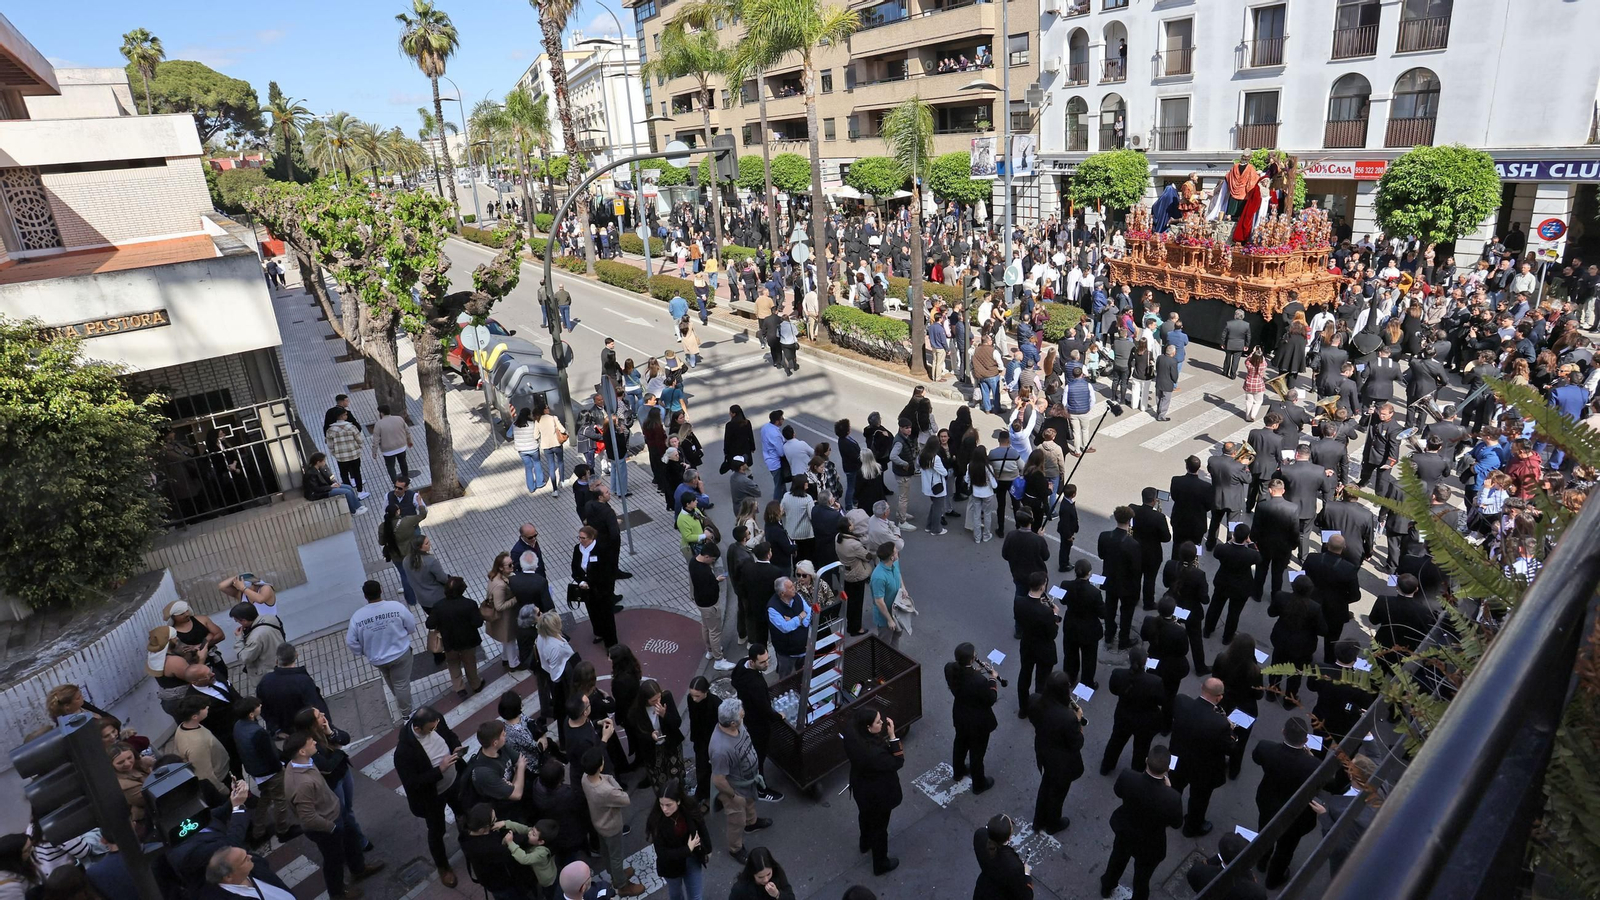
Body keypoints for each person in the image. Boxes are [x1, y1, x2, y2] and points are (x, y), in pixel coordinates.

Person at [283, 730, 384, 899]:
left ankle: (359, 869)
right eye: (310, 741)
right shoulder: (302, 784)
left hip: (335, 813)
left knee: (351, 840)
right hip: (326, 826)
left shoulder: (303, 762)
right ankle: (338, 894)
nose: (314, 742)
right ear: (301, 751)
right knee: (334, 861)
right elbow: (308, 819)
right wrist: (332, 827)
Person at [394, 707, 468, 887]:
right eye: (431, 729)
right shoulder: (403, 752)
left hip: (453, 782)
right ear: (418, 728)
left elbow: (449, 735)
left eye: (436, 725)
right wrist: (439, 770)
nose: (435, 729)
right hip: (432, 797)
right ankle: (443, 867)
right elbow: (413, 783)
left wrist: (455, 745)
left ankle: (469, 842)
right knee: (437, 832)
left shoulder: (436, 719)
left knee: (464, 813)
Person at [1099, 746, 1183, 900]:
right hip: (1151, 843)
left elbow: (1118, 791)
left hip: (1125, 831)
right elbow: (1177, 823)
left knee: (1117, 860)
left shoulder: (1128, 777)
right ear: (1167, 770)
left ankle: (1107, 886)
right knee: (1142, 877)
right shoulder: (1172, 798)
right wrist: (1169, 790)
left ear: (1146, 761)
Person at [1252, 717, 1326, 889]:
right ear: (1306, 740)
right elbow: (1324, 784)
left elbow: (1257, 758)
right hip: (1297, 815)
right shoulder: (1314, 765)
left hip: (1268, 803)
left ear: (1283, 732)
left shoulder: (1266, 748)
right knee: (1286, 849)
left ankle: (1261, 862)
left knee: (1264, 834)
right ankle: (1273, 879)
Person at [1168, 677, 1236, 838]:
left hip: (1178, 759)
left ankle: (1171, 817)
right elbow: (1229, 748)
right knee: (1199, 799)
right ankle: (1192, 827)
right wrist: (1232, 732)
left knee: (1175, 788)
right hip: (1203, 768)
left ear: (1201, 688)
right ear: (1219, 697)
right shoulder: (1220, 724)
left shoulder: (1182, 701)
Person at [842, 707, 904, 876]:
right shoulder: (875, 754)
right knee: (880, 828)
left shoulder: (852, 734)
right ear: (868, 728)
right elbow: (897, 761)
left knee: (865, 815)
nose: (882, 723)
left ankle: (865, 842)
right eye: (878, 722)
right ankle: (880, 863)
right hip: (878, 794)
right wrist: (892, 736)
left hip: (861, 788)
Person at [709, 699, 772, 865]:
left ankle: (751, 823)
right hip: (734, 788)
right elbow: (718, 780)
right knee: (736, 820)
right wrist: (734, 796)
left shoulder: (737, 725)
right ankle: (735, 848)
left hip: (747, 782)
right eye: (741, 716)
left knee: (750, 802)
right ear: (732, 723)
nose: (744, 717)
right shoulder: (720, 750)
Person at [580, 748, 646, 896]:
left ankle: (616, 874)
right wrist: (612, 780)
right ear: (600, 766)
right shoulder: (606, 790)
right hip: (611, 826)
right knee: (616, 856)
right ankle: (622, 885)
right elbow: (624, 798)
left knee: (607, 853)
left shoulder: (585, 778)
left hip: (598, 822)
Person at [231, 696, 297, 843]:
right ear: (251, 714)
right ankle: (283, 830)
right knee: (280, 801)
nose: (260, 706)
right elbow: (270, 755)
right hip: (270, 772)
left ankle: (258, 829)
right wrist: (280, 766)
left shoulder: (238, 726)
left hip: (256, 771)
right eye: (257, 706)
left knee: (265, 797)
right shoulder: (257, 732)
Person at [457, 805, 558, 900]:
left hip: (492, 881)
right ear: (483, 829)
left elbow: (524, 830)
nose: (496, 821)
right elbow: (517, 855)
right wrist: (518, 840)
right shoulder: (488, 848)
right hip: (504, 884)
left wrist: (505, 824)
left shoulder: (467, 834)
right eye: (493, 820)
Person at [1028, 672, 1085, 836]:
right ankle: (1053, 823)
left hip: (1044, 750)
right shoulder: (1068, 718)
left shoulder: (1034, 700)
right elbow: (1077, 743)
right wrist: (1078, 720)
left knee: (1046, 785)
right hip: (1062, 761)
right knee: (1058, 793)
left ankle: (1038, 821)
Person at [945, 642, 999, 794]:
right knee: (977, 753)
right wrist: (993, 679)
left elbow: (963, 676)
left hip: (960, 715)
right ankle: (979, 784)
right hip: (977, 722)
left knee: (960, 743)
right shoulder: (979, 681)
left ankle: (958, 771)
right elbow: (991, 699)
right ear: (972, 659)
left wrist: (975, 671)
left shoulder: (950, 668)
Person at [647, 779, 713, 900]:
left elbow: (701, 825)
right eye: (661, 804)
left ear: (678, 801)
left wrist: (708, 849)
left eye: (668, 805)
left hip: (692, 858)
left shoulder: (689, 807)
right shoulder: (657, 821)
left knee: (696, 896)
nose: (664, 809)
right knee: (676, 895)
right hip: (671, 867)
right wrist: (687, 849)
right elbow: (662, 853)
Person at [1268, 576, 1323, 707]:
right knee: (1295, 674)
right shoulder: (1314, 607)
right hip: (1302, 646)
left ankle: (1271, 692)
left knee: (1276, 665)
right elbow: (1322, 630)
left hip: (1280, 639)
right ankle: (1289, 699)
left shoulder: (1281, 596)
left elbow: (1271, 612)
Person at [428, 576, 485, 697]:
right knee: (470, 663)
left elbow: (430, 623)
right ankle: (475, 684)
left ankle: (460, 688)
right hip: (468, 641)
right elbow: (478, 623)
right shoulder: (470, 604)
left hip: (449, 642)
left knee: (453, 663)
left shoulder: (439, 606)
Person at [256, 643, 328, 738]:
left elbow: (263, 709)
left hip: (286, 733)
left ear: (277, 661)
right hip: (308, 731)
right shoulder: (303, 681)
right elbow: (315, 706)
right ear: (296, 656)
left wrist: (276, 730)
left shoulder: (265, 681)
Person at [1014, 571, 1059, 717]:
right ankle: (1038, 708)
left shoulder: (1019, 601)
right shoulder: (1046, 613)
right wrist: (1054, 615)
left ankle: (1023, 708)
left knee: (1024, 674)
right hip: (1043, 648)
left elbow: (1021, 618)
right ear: (1042, 587)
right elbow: (1052, 634)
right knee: (1042, 679)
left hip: (1027, 645)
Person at [1206, 524, 1260, 645]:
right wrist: (1250, 543)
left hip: (1223, 582)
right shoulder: (1250, 554)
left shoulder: (1222, 549)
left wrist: (1230, 541)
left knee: (1215, 606)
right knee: (1234, 613)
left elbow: (1216, 553)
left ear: (1234, 535)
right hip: (1241, 587)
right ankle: (1227, 637)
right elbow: (1259, 557)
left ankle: (1208, 630)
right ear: (1247, 537)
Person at [1098, 506, 1143, 648]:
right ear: (1129, 521)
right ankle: (1123, 639)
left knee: (1110, 608)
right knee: (1126, 612)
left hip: (1110, 580)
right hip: (1127, 585)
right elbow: (1136, 569)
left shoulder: (1104, 536)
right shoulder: (1133, 544)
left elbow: (1101, 555)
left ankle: (1109, 635)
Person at [1059, 559, 1106, 689]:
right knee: (1089, 658)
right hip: (1089, 630)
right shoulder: (1094, 593)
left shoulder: (1065, 585)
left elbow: (1062, 602)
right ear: (1089, 573)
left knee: (1070, 655)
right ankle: (1087, 682)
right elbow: (1102, 613)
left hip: (1071, 626)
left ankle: (1070, 678)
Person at [572, 525, 618, 647]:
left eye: (583, 538)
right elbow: (575, 568)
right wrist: (580, 581)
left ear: (592, 538)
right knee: (593, 612)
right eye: (579, 537)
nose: (580, 540)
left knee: (607, 617)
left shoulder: (602, 549)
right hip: (587, 590)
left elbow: (607, 572)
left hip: (602, 590)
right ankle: (599, 633)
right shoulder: (578, 549)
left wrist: (591, 583)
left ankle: (611, 644)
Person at [971, 815, 1033, 899]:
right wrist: (1026, 874)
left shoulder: (980, 835)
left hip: (982, 891)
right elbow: (1025, 896)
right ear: (1009, 837)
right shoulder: (1013, 866)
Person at [1131, 488, 1171, 610]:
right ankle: (1148, 603)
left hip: (1136, 550)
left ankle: (1134, 598)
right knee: (1150, 579)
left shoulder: (1133, 509)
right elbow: (1166, 538)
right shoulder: (1159, 517)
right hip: (1152, 553)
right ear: (1154, 500)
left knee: (1135, 576)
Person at [766, 577, 811, 678]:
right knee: (785, 678)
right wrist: (799, 617)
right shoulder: (773, 609)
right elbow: (785, 628)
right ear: (782, 593)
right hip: (787, 653)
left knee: (803, 675)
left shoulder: (797, 597)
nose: (794, 588)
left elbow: (808, 612)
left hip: (803, 648)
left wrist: (797, 621)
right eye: (790, 587)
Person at [229, 602, 284, 684]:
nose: (238, 623)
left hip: (269, 674)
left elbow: (245, 658)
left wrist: (239, 639)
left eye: (237, 621)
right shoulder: (270, 618)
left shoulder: (255, 637)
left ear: (244, 621)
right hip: (281, 662)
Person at [324, 409, 370, 499]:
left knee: (344, 475)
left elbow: (330, 445)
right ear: (341, 416)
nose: (347, 416)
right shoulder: (351, 427)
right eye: (345, 415)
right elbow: (359, 440)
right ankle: (360, 492)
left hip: (341, 457)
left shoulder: (331, 430)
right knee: (357, 473)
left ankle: (349, 492)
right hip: (354, 455)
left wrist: (335, 453)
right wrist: (359, 449)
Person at [868, 542, 903, 646]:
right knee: (885, 644)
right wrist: (889, 620)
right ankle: (885, 662)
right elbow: (879, 601)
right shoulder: (878, 577)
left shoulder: (894, 563)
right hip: (885, 617)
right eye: (896, 552)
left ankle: (894, 659)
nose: (898, 553)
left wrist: (903, 588)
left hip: (897, 611)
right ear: (892, 557)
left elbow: (898, 574)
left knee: (896, 636)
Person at [727, 846, 795, 900]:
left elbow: (791, 897)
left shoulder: (777, 873)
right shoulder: (741, 888)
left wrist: (777, 894)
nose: (766, 880)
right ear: (752, 874)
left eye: (768, 874)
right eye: (760, 877)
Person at [372, 404, 413, 483]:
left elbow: (376, 439)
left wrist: (374, 451)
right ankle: (406, 479)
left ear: (381, 413)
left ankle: (396, 483)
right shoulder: (399, 419)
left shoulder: (378, 424)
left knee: (390, 467)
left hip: (388, 450)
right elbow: (407, 431)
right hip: (401, 446)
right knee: (403, 462)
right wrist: (409, 441)